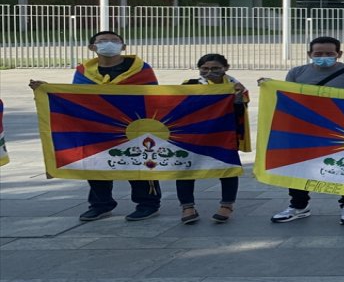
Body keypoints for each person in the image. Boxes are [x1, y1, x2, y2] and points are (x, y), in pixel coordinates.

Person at [29, 31, 162, 221]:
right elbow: (76, 98)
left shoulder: (141, 70)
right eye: (103, 41)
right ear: (92, 48)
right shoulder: (83, 71)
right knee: (95, 163)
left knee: (140, 163)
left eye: (115, 41)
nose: (109, 43)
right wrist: (48, 90)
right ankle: (101, 204)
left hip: (134, 126)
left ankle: (148, 203)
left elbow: (152, 97)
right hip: (96, 128)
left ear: (123, 47)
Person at [268, 36, 344, 225]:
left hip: (341, 131)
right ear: (309, 54)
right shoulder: (296, 73)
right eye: (318, 53)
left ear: (339, 54)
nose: (324, 57)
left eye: (329, 54)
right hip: (304, 130)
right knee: (298, 167)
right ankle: (298, 205)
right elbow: (289, 100)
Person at [176, 54, 249, 224]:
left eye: (216, 68)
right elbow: (179, 108)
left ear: (226, 68)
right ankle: (187, 206)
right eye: (205, 69)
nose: (210, 72)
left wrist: (237, 97)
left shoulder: (236, 86)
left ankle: (227, 205)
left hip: (224, 135)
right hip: (192, 135)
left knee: (227, 169)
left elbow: (240, 113)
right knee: (185, 169)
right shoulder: (189, 85)